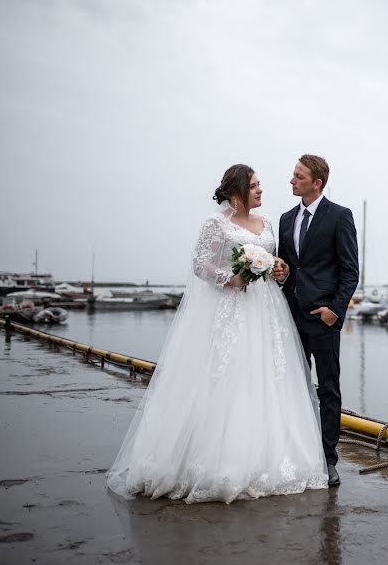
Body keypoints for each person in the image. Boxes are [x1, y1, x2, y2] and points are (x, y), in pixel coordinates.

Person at [106, 164, 328, 503]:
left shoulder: (267, 223)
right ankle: (217, 459)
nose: (260, 191)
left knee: (268, 378)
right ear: (237, 191)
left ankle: (268, 454)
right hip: (229, 309)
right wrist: (229, 277)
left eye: (259, 185)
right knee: (228, 375)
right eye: (254, 186)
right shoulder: (215, 223)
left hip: (266, 309)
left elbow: (273, 265)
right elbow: (200, 263)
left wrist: (278, 268)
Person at [273, 154, 359, 487]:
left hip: (323, 319)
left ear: (316, 183)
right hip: (290, 315)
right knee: (290, 386)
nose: (291, 181)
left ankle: (327, 459)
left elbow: (350, 271)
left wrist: (335, 311)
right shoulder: (285, 218)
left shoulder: (340, 217)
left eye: (298, 176)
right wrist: (281, 272)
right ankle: (294, 451)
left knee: (329, 389)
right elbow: (288, 266)